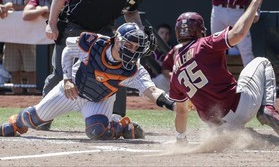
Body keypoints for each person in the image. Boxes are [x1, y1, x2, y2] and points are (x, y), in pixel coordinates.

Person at [0, 23, 175, 139]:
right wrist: (67, 79)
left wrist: (173, 104)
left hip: (100, 99)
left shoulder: (134, 68)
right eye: (129, 45)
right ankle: (16, 123)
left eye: (137, 47)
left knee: (97, 132)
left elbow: (151, 91)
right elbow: (68, 51)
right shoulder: (94, 43)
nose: (132, 50)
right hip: (71, 90)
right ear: (117, 40)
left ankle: (118, 125)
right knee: (31, 119)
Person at [170, 0, 279, 144]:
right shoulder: (204, 44)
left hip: (218, 128)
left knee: (245, 136)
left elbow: (181, 112)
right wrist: (255, 1)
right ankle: (268, 109)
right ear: (198, 31)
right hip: (239, 106)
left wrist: (180, 138)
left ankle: (245, 137)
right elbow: (238, 34)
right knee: (262, 62)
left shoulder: (175, 71)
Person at [44, 0, 147, 97]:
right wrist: (52, 24)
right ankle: (39, 118)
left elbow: (131, 11)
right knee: (60, 75)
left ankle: (116, 118)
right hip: (75, 25)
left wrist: (139, 31)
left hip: (103, 30)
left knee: (118, 72)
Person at [0, 0, 36, 93]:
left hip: (27, 36)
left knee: (31, 71)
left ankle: (32, 98)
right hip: (9, 36)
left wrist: (10, 5)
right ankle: (17, 99)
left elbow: (29, 7)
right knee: (14, 71)